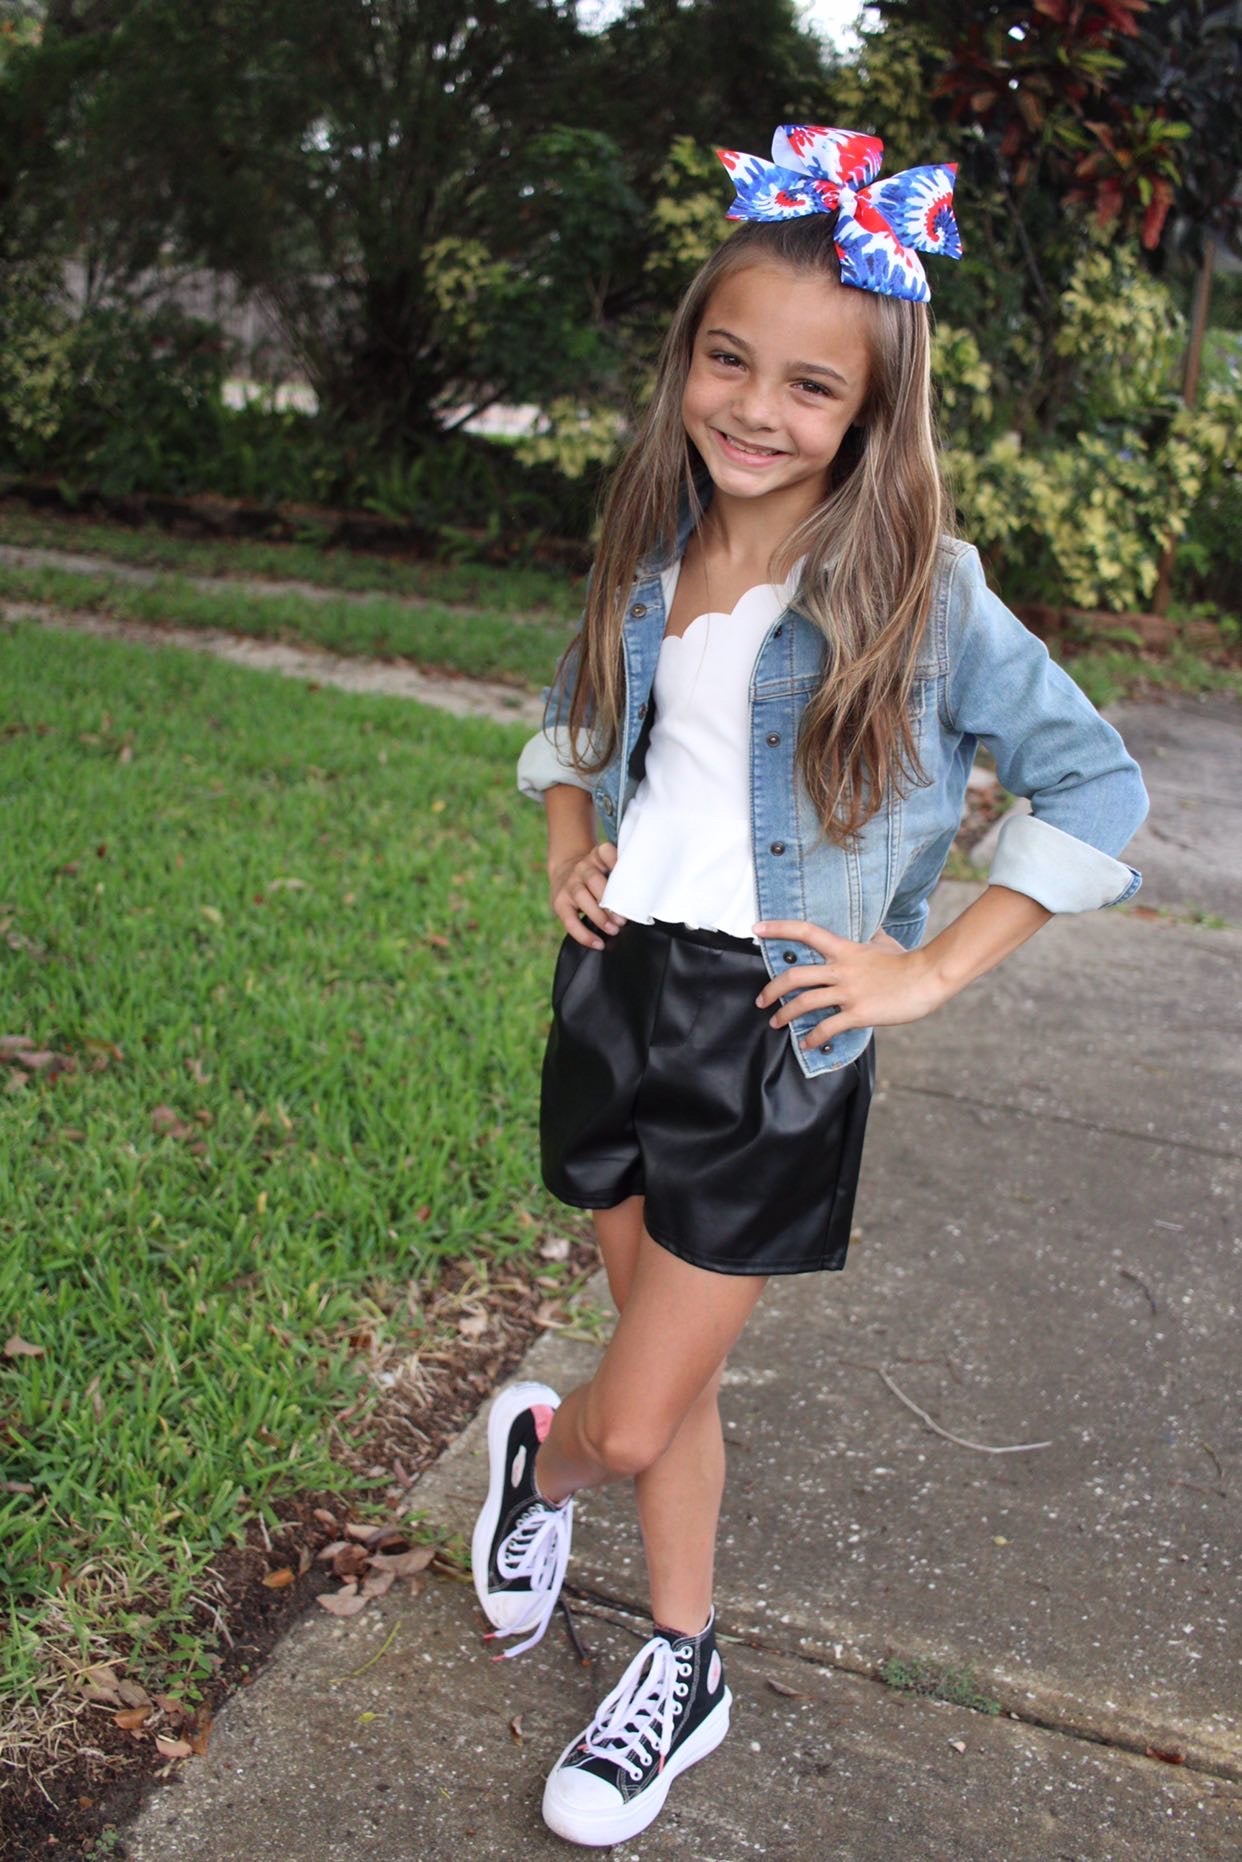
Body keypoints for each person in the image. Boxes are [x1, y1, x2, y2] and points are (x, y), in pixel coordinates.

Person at [471, 124, 1148, 1849]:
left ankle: (534, 1463)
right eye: (727, 360)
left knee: (624, 1414)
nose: (755, 409)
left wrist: (924, 969)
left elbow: (1097, 789)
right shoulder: (650, 546)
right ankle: (683, 1662)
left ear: (868, 411)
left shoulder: (921, 593)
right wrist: (568, 829)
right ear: (687, 358)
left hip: (775, 1038)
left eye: (807, 387)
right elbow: (574, 724)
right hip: (615, 993)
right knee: (673, 1388)